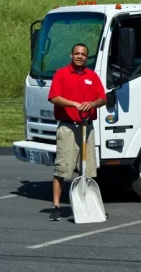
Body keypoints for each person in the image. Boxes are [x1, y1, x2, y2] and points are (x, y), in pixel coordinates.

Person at [47, 43, 107, 221]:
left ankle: (87, 204)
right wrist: (74, 104)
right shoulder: (62, 74)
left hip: (86, 127)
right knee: (62, 167)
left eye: (83, 54)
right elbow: (54, 97)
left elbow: (102, 98)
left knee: (87, 170)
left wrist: (92, 104)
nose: (80, 57)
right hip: (68, 127)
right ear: (71, 55)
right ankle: (56, 206)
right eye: (77, 54)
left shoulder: (92, 76)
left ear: (87, 57)